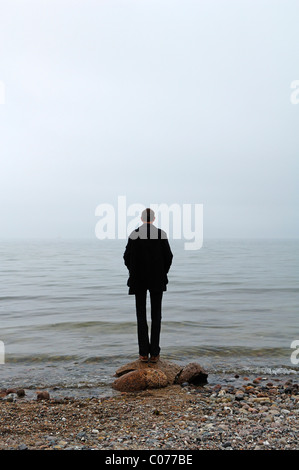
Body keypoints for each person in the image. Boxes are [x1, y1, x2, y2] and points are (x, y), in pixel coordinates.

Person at [123, 208, 173, 363]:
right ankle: (155, 354)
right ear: (154, 218)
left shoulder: (134, 234)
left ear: (142, 218)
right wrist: (162, 272)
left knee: (141, 316)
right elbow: (169, 257)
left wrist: (133, 270)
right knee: (156, 316)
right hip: (157, 279)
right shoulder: (161, 234)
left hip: (139, 279)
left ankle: (143, 353)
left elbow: (126, 257)